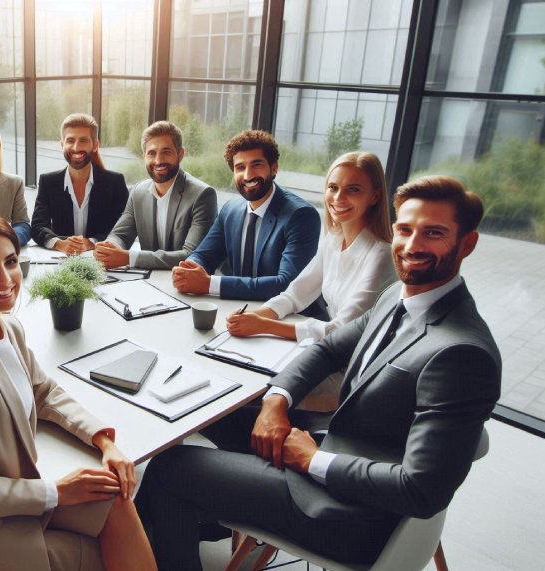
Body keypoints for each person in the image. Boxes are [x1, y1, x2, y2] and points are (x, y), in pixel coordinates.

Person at [136, 176, 501, 569]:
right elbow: (328, 349)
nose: (413, 246)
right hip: (339, 447)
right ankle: (189, 519)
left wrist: (311, 461)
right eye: (406, 230)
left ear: (467, 243)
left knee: (169, 469)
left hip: (348, 514)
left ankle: (166, 530)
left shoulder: (462, 353)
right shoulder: (398, 296)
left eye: (433, 233)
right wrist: (276, 401)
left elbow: (420, 490)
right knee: (217, 413)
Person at [0, 215, 156, 571]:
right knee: (107, 555)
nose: (5, 279)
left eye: (10, 262)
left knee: (116, 499)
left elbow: (43, 392)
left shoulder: (7, 327)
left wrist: (105, 442)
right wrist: (55, 492)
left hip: (21, 500)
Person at [224, 151, 397, 411]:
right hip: (329, 354)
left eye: (353, 190)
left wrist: (263, 325)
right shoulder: (334, 238)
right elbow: (295, 294)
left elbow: (341, 331)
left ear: (374, 195)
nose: (338, 198)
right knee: (237, 374)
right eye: (333, 188)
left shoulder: (381, 255)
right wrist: (254, 316)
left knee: (248, 395)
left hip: (352, 373)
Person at [172, 129, 319, 300]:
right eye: (240, 167)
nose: (248, 175)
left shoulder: (301, 216)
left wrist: (208, 284)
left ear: (274, 168)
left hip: (289, 318)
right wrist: (189, 270)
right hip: (238, 310)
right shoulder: (230, 210)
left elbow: (286, 284)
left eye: (256, 165)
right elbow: (204, 255)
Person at [95, 121, 217, 270]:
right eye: (151, 153)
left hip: (187, 283)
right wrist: (109, 248)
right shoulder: (138, 192)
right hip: (148, 281)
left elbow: (191, 255)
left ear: (180, 154)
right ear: (144, 156)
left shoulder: (203, 195)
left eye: (166, 152)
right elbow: (120, 235)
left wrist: (129, 258)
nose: (158, 161)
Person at [31, 113, 128, 255]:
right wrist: (60, 244)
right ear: (62, 144)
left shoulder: (115, 182)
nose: (76, 147)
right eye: (70, 140)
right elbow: (37, 226)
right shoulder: (48, 182)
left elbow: (122, 228)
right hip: (60, 260)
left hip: (101, 258)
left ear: (95, 145)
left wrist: (91, 242)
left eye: (83, 140)